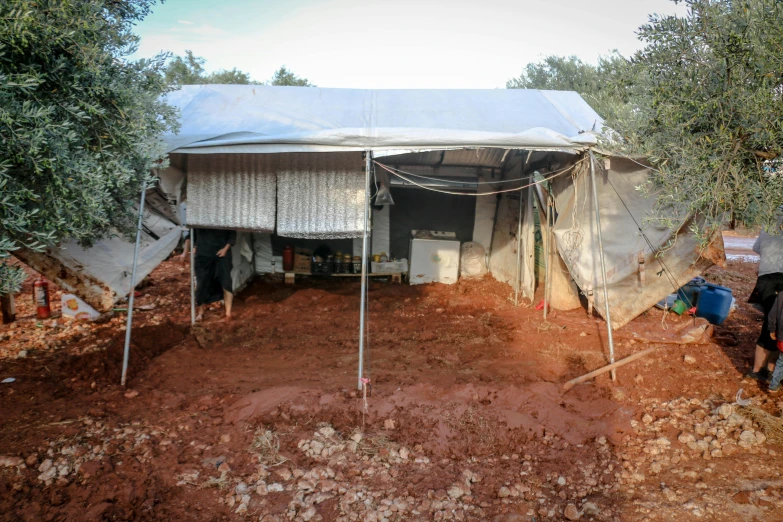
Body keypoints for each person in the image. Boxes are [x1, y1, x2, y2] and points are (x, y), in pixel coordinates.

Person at [745, 222, 783, 382]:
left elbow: (756, 247)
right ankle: (768, 371)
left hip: (764, 278)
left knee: (768, 322)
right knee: (776, 326)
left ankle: (757, 370)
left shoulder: (768, 221)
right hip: (779, 279)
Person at [193, 228, 236, 321]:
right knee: (201, 283)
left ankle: (228, 314)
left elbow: (232, 234)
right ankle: (200, 313)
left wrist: (225, 249)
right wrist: (186, 251)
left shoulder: (224, 216)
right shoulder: (197, 218)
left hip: (222, 254)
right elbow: (191, 235)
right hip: (203, 255)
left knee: (226, 283)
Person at [766, 291, 783, 393]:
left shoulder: (781, 294)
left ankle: (773, 386)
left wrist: (772, 329)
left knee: (781, 362)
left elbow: (772, 313)